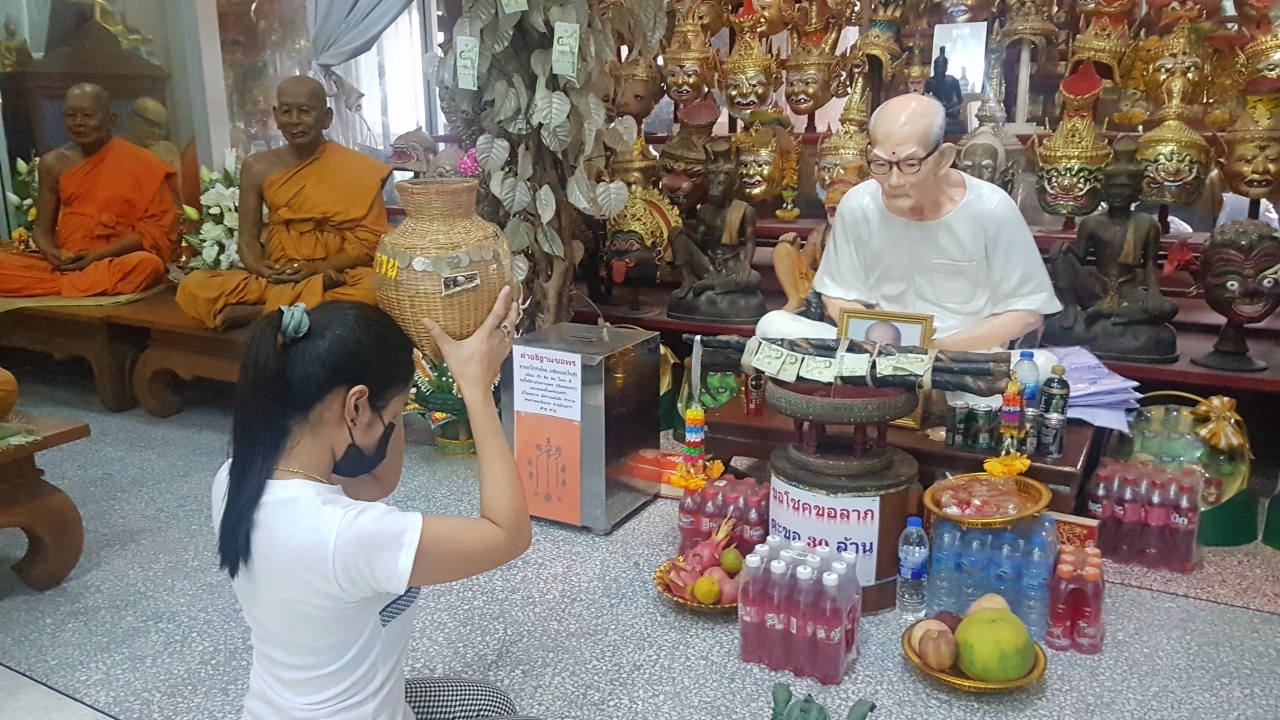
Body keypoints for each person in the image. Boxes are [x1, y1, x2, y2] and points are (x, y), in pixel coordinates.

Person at [214, 287, 537, 720]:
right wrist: (475, 388)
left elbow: (376, 480)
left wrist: (392, 368)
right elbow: (508, 534)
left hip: (272, 711)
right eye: (399, 410)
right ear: (356, 406)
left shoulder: (235, 478)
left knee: (484, 699)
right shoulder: (345, 535)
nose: (397, 422)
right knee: (492, 706)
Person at [756, 94, 1061, 351]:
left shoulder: (991, 208)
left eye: (910, 164)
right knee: (773, 325)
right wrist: (874, 340)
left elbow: (1027, 312)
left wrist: (934, 350)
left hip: (960, 354)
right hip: (873, 348)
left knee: (1041, 368)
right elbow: (836, 294)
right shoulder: (858, 204)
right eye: (880, 164)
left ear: (942, 159)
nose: (894, 180)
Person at [177, 75, 391, 329]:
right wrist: (259, 267)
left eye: (305, 111)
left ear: (326, 118)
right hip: (279, 275)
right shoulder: (257, 166)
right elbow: (247, 235)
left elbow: (367, 245)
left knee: (376, 290)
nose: (295, 121)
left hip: (334, 273)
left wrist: (316, 269)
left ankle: (263, 313)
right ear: (276, 116)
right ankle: (296, 306)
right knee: (194, 285)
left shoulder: (357, 169)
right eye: (286, 111)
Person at [0, 83, 178, 298]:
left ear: (111, 120)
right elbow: (42, 230)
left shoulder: (143, 163)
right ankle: (77, 283)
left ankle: (60, 285)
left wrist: (97, 255)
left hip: (115, 259)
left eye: (87, 116)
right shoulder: (52, 163)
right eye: (70, 116)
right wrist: (51, 254)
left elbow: (154, 231)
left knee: (148, 265)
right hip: (68, 261)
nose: (78, 124)